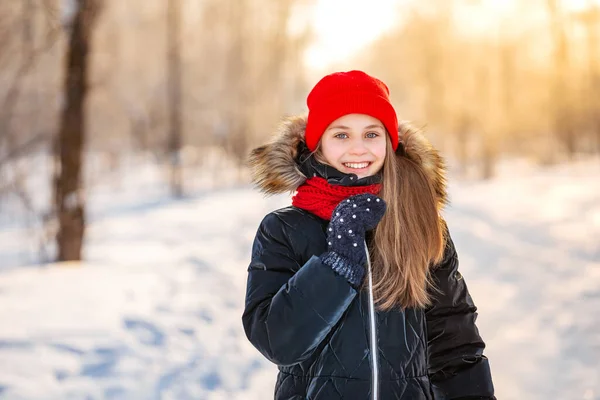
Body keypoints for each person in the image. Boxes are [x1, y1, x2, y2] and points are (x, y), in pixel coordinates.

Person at [242, 70, 495, 400]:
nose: (358, 149)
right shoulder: (284, 230)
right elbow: (276, 340)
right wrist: (337, 266)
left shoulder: (419, 220)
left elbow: (455, 341)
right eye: (342, 135)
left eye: (372, 134)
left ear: (390, 143)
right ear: (316, 146)